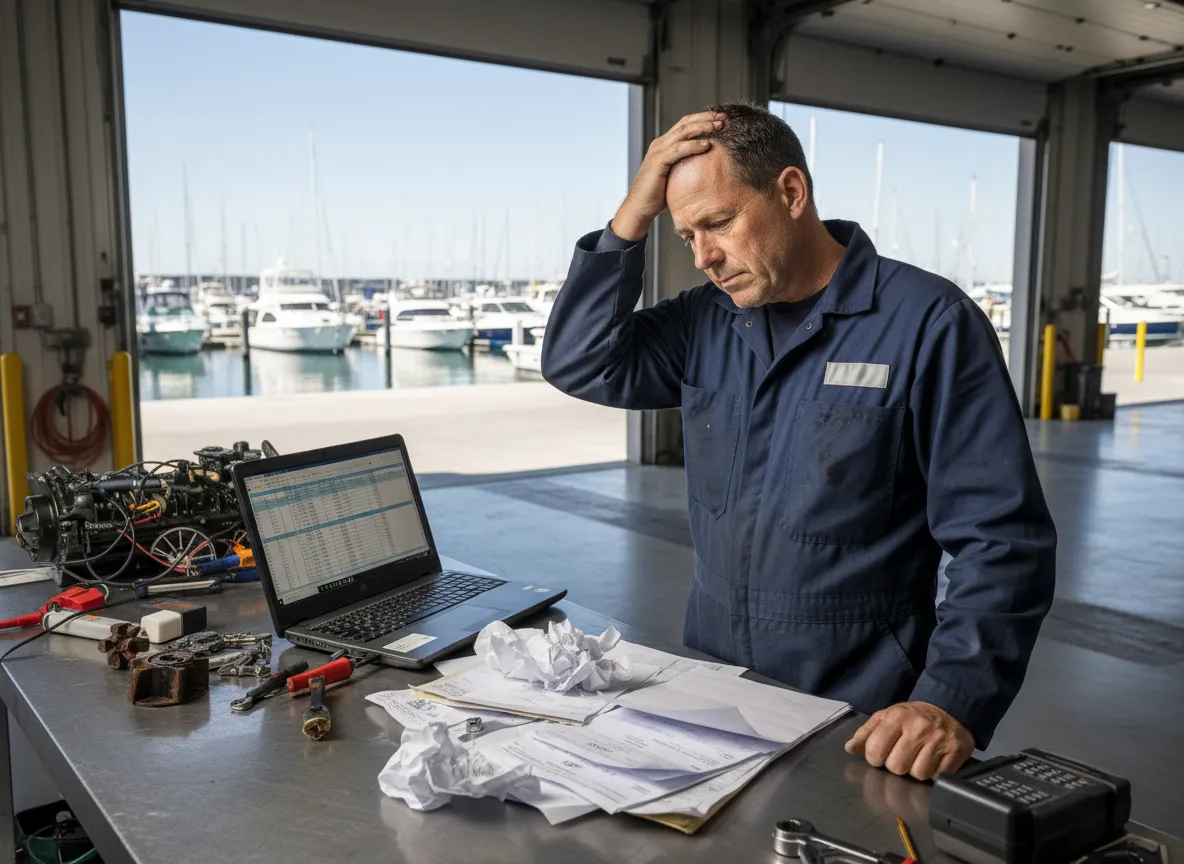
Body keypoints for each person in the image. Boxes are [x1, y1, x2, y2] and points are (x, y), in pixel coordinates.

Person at [541, 103, 1057, 781]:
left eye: (718, 223)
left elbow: (1001, 538)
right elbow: (580, 361)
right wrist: (629, 220)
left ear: (790, 192)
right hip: (715, 688)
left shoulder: (928, 323)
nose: (704, 258)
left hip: (861, 712)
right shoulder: (706, 323)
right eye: (687, 235)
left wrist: (949, 699)